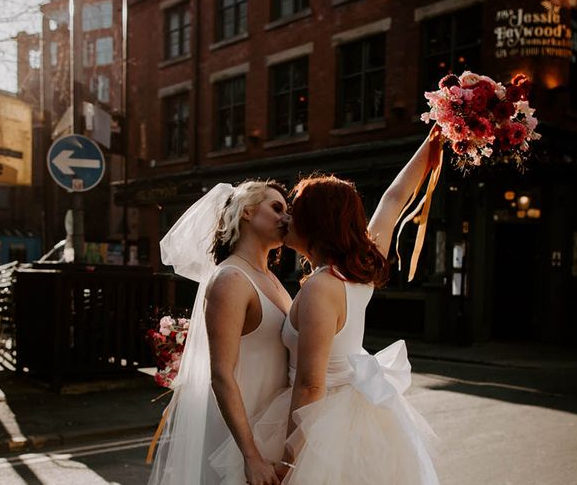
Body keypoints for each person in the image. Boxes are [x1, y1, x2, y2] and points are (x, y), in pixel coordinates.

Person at [214, 136, 442, 484]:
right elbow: (394, 199)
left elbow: (309, 385)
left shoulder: (322, 286)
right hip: (356, 413)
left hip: (320, 424)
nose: (287, 218)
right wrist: (437, 135)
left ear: (314, 223)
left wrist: (291, 464)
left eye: (294, 211)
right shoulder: (360, 267)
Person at [148, 180, 292, 485]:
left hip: (273, 424)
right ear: (248, 212)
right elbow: (221, 374)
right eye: (276, 208)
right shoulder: (231, 279)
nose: (286, 218)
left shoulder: (271, 279)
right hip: (240, 436)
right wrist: (250, 455)